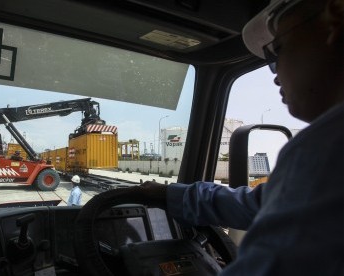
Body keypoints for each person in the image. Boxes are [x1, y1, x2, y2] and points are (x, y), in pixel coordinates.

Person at [140, 0, 343, 275]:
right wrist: (171, 194)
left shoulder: (325, 147)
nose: (275, 76)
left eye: (276, 52)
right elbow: (257, 204)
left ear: (336, 19)